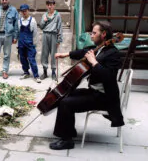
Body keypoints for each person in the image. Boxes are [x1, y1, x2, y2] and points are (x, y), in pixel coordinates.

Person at [49, 21, 124, 150]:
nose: (91, 36)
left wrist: (94, 62)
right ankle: (68, 132)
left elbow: (109, 77)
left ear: (104, 34)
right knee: (66, 94)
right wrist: (65, 54)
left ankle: (67, 141)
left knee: (66, 103)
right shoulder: (100, 48)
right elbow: (84, 52)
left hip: (104, 98)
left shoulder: (113, 54)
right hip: (94, 92)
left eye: (94, 33)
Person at [39, 0, 63, 80]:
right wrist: (44, 21)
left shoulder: (57, 15)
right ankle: (45, 72)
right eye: (48, 5)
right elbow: (41, 27)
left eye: (51, 5)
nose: (50, 6)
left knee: (53, 54)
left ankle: (53, 73)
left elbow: (60, 27)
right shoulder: (44, 15)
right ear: (47, 6)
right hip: (45, 35)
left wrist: (59, 39)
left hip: (54, 35)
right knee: (44, 54)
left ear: (54, 5)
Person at [17, 4, 41, 83]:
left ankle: (36, 75)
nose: (24, 13)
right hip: (21, 44)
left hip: (30, 44)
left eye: (25, 11)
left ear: (28, 11)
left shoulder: (32, 20)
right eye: (22, 11)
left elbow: (35, 34)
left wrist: (34, 44)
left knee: (32, 60)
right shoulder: (19, 21)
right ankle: (26, 72)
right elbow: (18, 32)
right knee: (23, 59)